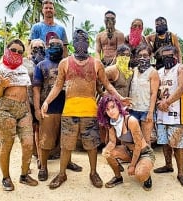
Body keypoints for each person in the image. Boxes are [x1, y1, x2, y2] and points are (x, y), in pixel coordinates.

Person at [41, 29, 129, 190]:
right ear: (73, 42)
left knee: (92, 144)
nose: (81, 43)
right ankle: (62, 174)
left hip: (90, 112)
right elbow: (58, 86)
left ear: (88, 43)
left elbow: (107, 84)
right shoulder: (65, 63)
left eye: (84, 40)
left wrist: (120, 98)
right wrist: (46, 102)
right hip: (69, 111)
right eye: (77, 40)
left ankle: (93, 172)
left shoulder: (96, 63)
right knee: (66, 145)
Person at [33, 37, 82, 182]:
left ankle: (68, 162)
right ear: (47, 47)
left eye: (59, 45)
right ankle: (43, 167)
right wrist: (37, 108)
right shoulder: (41, 65)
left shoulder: (69, 64)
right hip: (49, 108)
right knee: (46, 140)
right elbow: (36, 89)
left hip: (68, 107)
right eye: (52, 45)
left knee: (68, 138)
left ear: (64, 48)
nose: (55, 47)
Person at [0, 39, 38, 191]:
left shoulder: (23, 69)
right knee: (7, 146)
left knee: (28, 144)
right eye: (13, 50)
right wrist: (1, 86)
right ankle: (6, 178)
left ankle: (24, 175)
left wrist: (30, 113)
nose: (16, 53)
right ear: (7, 49)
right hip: (6, 110)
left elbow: (26, 92)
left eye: (20, 51)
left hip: (23, 110)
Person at [97, 95, 155, 191]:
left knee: (140, 174)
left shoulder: (131, 120)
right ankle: (118, 177)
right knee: (109, 153)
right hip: (129, 151)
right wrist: (106, 149)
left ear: (118, 106)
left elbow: (138, 145)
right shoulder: (111, 123)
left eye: (113, 107)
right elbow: (112, 142)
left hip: (143, 152)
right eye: (107, 109)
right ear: (105, 112)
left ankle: (146, 176)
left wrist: (132, 165)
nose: (111, 111)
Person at [153, 45, 183, 188]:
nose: (167, 57)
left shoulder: (182, 69)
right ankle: (168, 165)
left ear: (175, 55)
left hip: (176, 113)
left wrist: (167, 102)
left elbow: (182, 88)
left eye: (170, 55)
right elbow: (155, 90)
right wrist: (158, 102)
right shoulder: (159, 72)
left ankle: (181, 173)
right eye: (164, 55)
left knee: (178, 144)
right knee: (165, 142)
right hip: (161, 113)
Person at [128, 44, 159, 145]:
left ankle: (147, 159)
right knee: (134, 138)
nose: (142, 58)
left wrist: (150, 112)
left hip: (146, 110)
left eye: (145, 55)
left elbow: (154, 93)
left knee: (146, 139)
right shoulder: (134, 70)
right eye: (140, 55)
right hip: (133, 109)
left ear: (150, 56)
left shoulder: (153, 72)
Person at [23, 38, 46, 168]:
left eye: (41, 47)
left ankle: (41, 156)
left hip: (45, 101)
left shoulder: (47, 61)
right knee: (32, 130)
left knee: (42, 130)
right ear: (30, 48)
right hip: (30, 102)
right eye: (35, 47)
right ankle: (34, 158)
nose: (38, 50)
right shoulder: (26, 63)